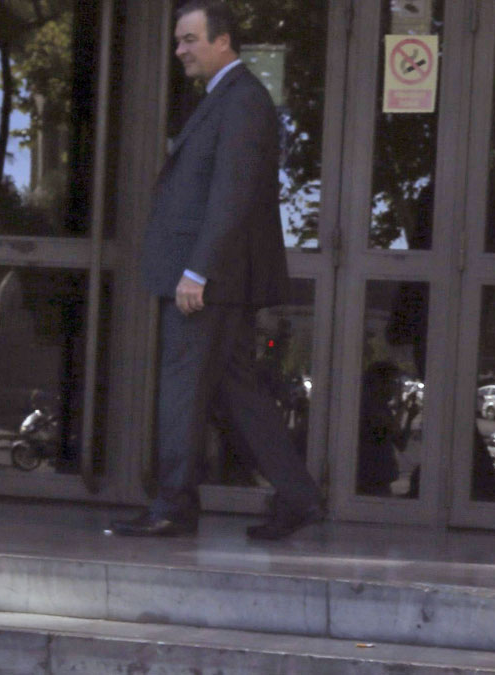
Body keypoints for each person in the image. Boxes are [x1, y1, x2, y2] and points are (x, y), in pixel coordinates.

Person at [111, 0, 323, 540]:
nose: (179, 50)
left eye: (189, 39)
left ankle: (173, 506)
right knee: (238, 394)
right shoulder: (227, 98)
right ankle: (298, 496)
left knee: (182, 391)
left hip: (209, 282)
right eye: (178, 40)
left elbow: (233, 194)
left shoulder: (243, 100)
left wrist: (197, 272)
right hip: (215, 280)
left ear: (222, 41)